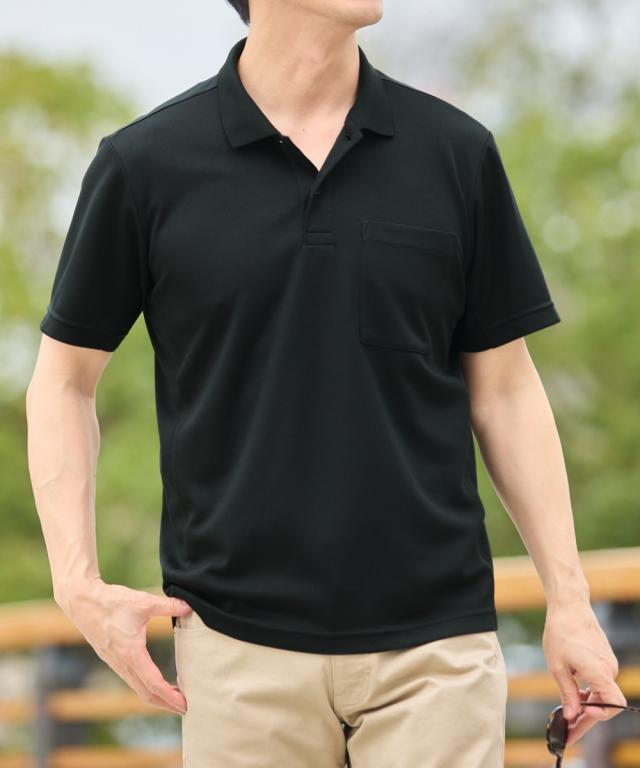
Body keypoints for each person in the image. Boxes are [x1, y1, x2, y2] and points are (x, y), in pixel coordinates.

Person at [26, 1, 627, 765]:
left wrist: (569, 602)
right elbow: (63, 380)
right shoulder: (145, 165)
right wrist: (77, 585)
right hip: (237, 651)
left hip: (437, 647)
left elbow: (506, 389)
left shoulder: (455, 152)